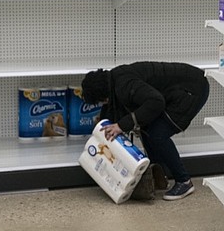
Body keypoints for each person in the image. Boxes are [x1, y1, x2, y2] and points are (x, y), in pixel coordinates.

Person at [81, 61, 210, 201]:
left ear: (103, 95)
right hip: (182, 87)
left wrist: (122, 125)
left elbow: (156, 102)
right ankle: (157, 177)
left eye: (101, 101)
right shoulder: (114, 80)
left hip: (191, 90)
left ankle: (184, 181)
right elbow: (113, 107)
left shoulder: (124, 84)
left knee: (158, 134)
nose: (103, 104)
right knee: (147, 129)